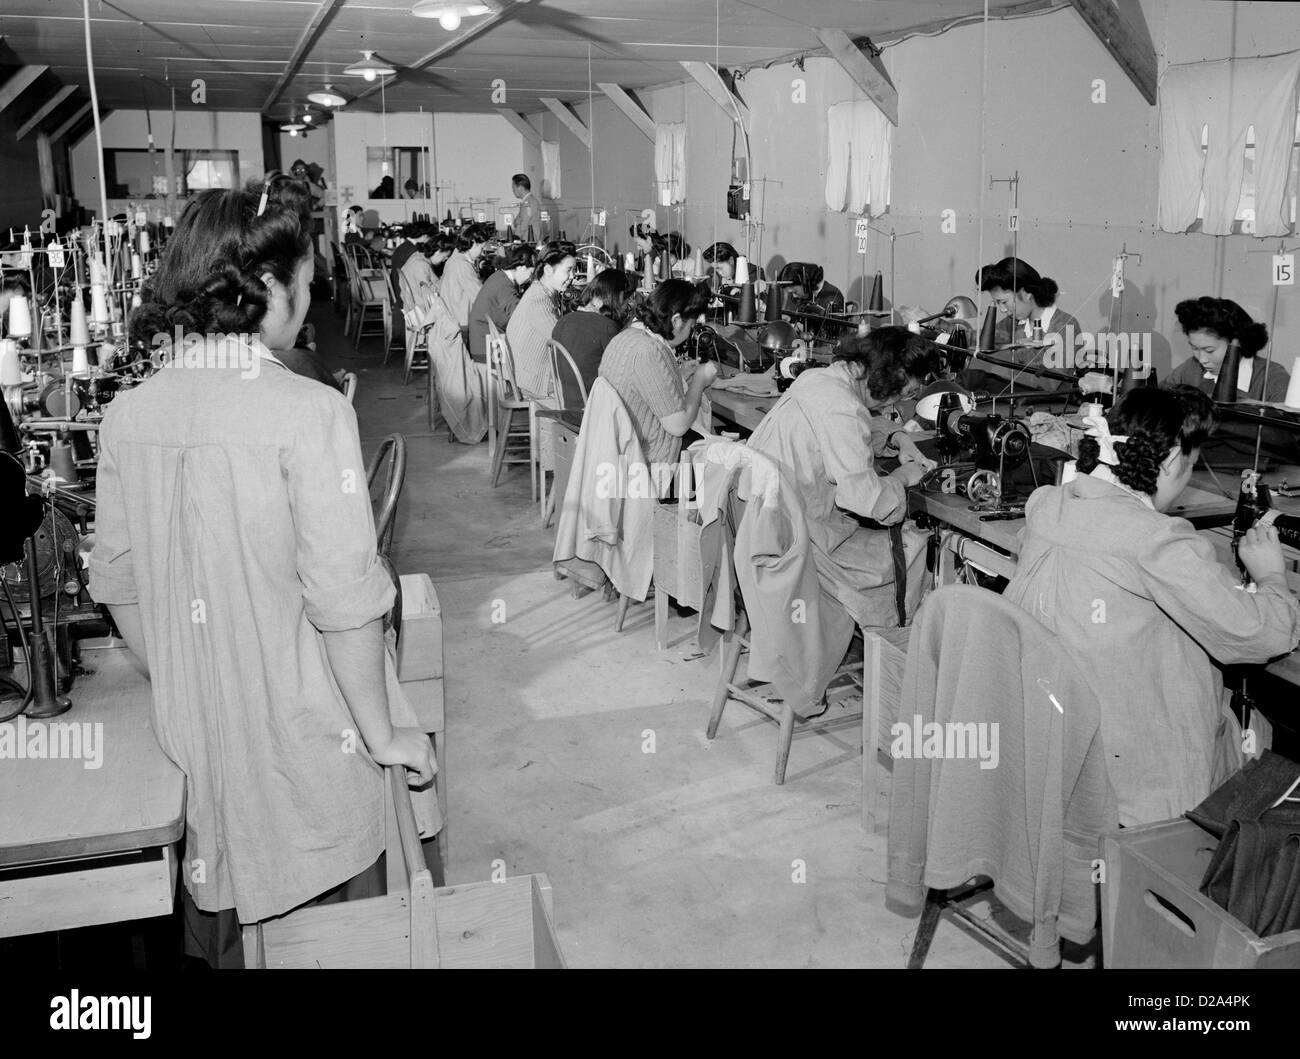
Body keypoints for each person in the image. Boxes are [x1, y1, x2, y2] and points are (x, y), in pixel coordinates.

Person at [90, 183, 437, 968]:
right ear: (267, 287)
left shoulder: (128, 416)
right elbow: (347, 605)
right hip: (308, 755)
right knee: (335, 944)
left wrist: (187, 673)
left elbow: (118, 586)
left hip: (199, 758)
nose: (309, 300)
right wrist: (384, 733)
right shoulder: (307, 414)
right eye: (305, 283)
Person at [1003, 386, 1300, 826]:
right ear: (1169, 462)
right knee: (1265, 731)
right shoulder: (1157, 541)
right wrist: (1272, 576)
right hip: (1134, 766)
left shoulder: (1049, 504)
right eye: (1191, 466)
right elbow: (1254, 635)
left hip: (1053, 731)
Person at [747, 327, 940, 630]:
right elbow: (869, 502)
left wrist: (898, 437)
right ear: (888, 377)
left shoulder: (820, 378)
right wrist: (902, 478)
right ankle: (892, 650)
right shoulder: (844, 410)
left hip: (762, 521)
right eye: (903, 394)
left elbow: (859, 418)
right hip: (799, 540)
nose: (895, 406)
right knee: (917, 546)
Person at [598, 279, 716, 480]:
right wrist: (699, 380)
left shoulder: (625, 337)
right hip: (648, 461)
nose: (689, 334)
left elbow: (644, 387)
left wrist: (676, 374)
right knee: (734, 465)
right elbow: (678, 426)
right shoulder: (651, 351)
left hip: (618, 448)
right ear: (676, 320)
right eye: (691, 326)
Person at [551, 268, 633, 406]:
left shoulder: (564, 320)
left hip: (567, 404)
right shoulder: (606, 327)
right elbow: (623, 372)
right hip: (593, 411)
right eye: (626, 300)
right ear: (618, 296)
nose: (626, 306)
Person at [507, 241, 576, 399]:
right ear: (548, 270)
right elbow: (562, 341)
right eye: (569, 270)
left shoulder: (541, 291)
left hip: (527, 374)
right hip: (534, 381)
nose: (572, 277)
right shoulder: (539, 300)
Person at [467, 243, 534, 364]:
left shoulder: (500, 276)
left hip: (484, 341)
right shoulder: (504, 285)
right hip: (487, 346)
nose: (530, 278)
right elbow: (517, 314)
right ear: (521, 268)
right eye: (531, 273)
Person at [440, 222, 492, 333]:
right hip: (460, 324)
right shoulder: (462, 265)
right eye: (481, 248)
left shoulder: (455, 258)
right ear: (473, 243)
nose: (482, 253)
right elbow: (480, 298)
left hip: (452, 318)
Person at [511, 173, 541, 238]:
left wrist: (515, 238)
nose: (513, 190)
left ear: (520, 188)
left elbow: (523, 225)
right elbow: (517, 221)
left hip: (528, 241)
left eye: (514, 188)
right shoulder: (527, 201)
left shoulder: (529, 203)